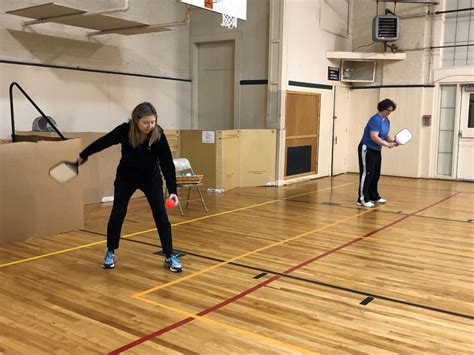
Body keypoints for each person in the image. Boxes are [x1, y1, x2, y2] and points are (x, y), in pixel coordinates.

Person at [77, 102, 182, 272]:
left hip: (151, 178)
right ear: (136, 120)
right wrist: (84, 154)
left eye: (153, 122)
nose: (150, 126)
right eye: (146, 122)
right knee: (118, 212)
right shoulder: (125, 131)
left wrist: (173, 191)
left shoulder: (158, 134)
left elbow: (167, 164)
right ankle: (110, 251)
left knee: (161, 216)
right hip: (126, 177)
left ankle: (169, 255)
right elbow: (104, 142)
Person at [357, 98, 397, 208]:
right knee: (367, 173)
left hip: (377, 150)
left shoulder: (386, 120)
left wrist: (393, 141)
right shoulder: (375, 119)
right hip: (367, 148)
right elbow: (374, 137)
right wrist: (387, 145)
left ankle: (373, 196)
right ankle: (362, 199)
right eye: (388, 110)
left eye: (391, 110)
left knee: (375, 174)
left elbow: (385, 135)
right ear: (382, 108)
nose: (389, 112)